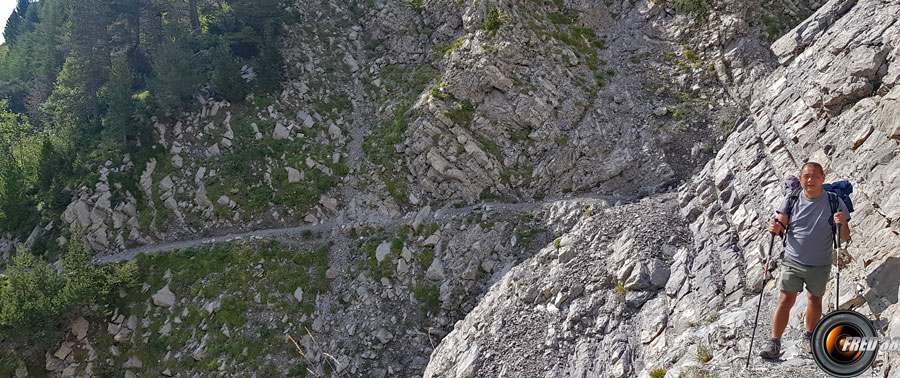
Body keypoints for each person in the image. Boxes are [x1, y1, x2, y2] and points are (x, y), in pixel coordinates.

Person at [759, 162, 851, 359]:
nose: (810, 180)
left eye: (815, 176)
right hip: (792, 259)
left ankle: (809, 337)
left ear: (823, 178)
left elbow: (844, 237)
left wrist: (842, 223)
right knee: (785, 300)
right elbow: (781, 226)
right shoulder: (791, 199)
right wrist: (774, 228)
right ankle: (774, 342)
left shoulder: (835, 202)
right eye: (806, 176)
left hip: (820, 263)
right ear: (800, 179)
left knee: (815, 300)